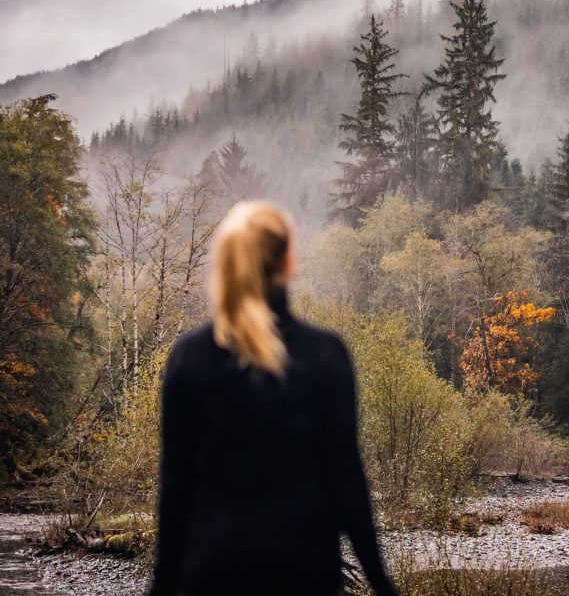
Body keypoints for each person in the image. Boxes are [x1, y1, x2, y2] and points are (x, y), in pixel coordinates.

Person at [148, 201, 397, 596]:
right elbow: (345, 480)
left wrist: (160, 587)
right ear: (288, 261)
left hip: (211, 572)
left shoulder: (189, 358)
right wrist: (383, 584)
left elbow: (175, 487)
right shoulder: (325, 355)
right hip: (304, 572)